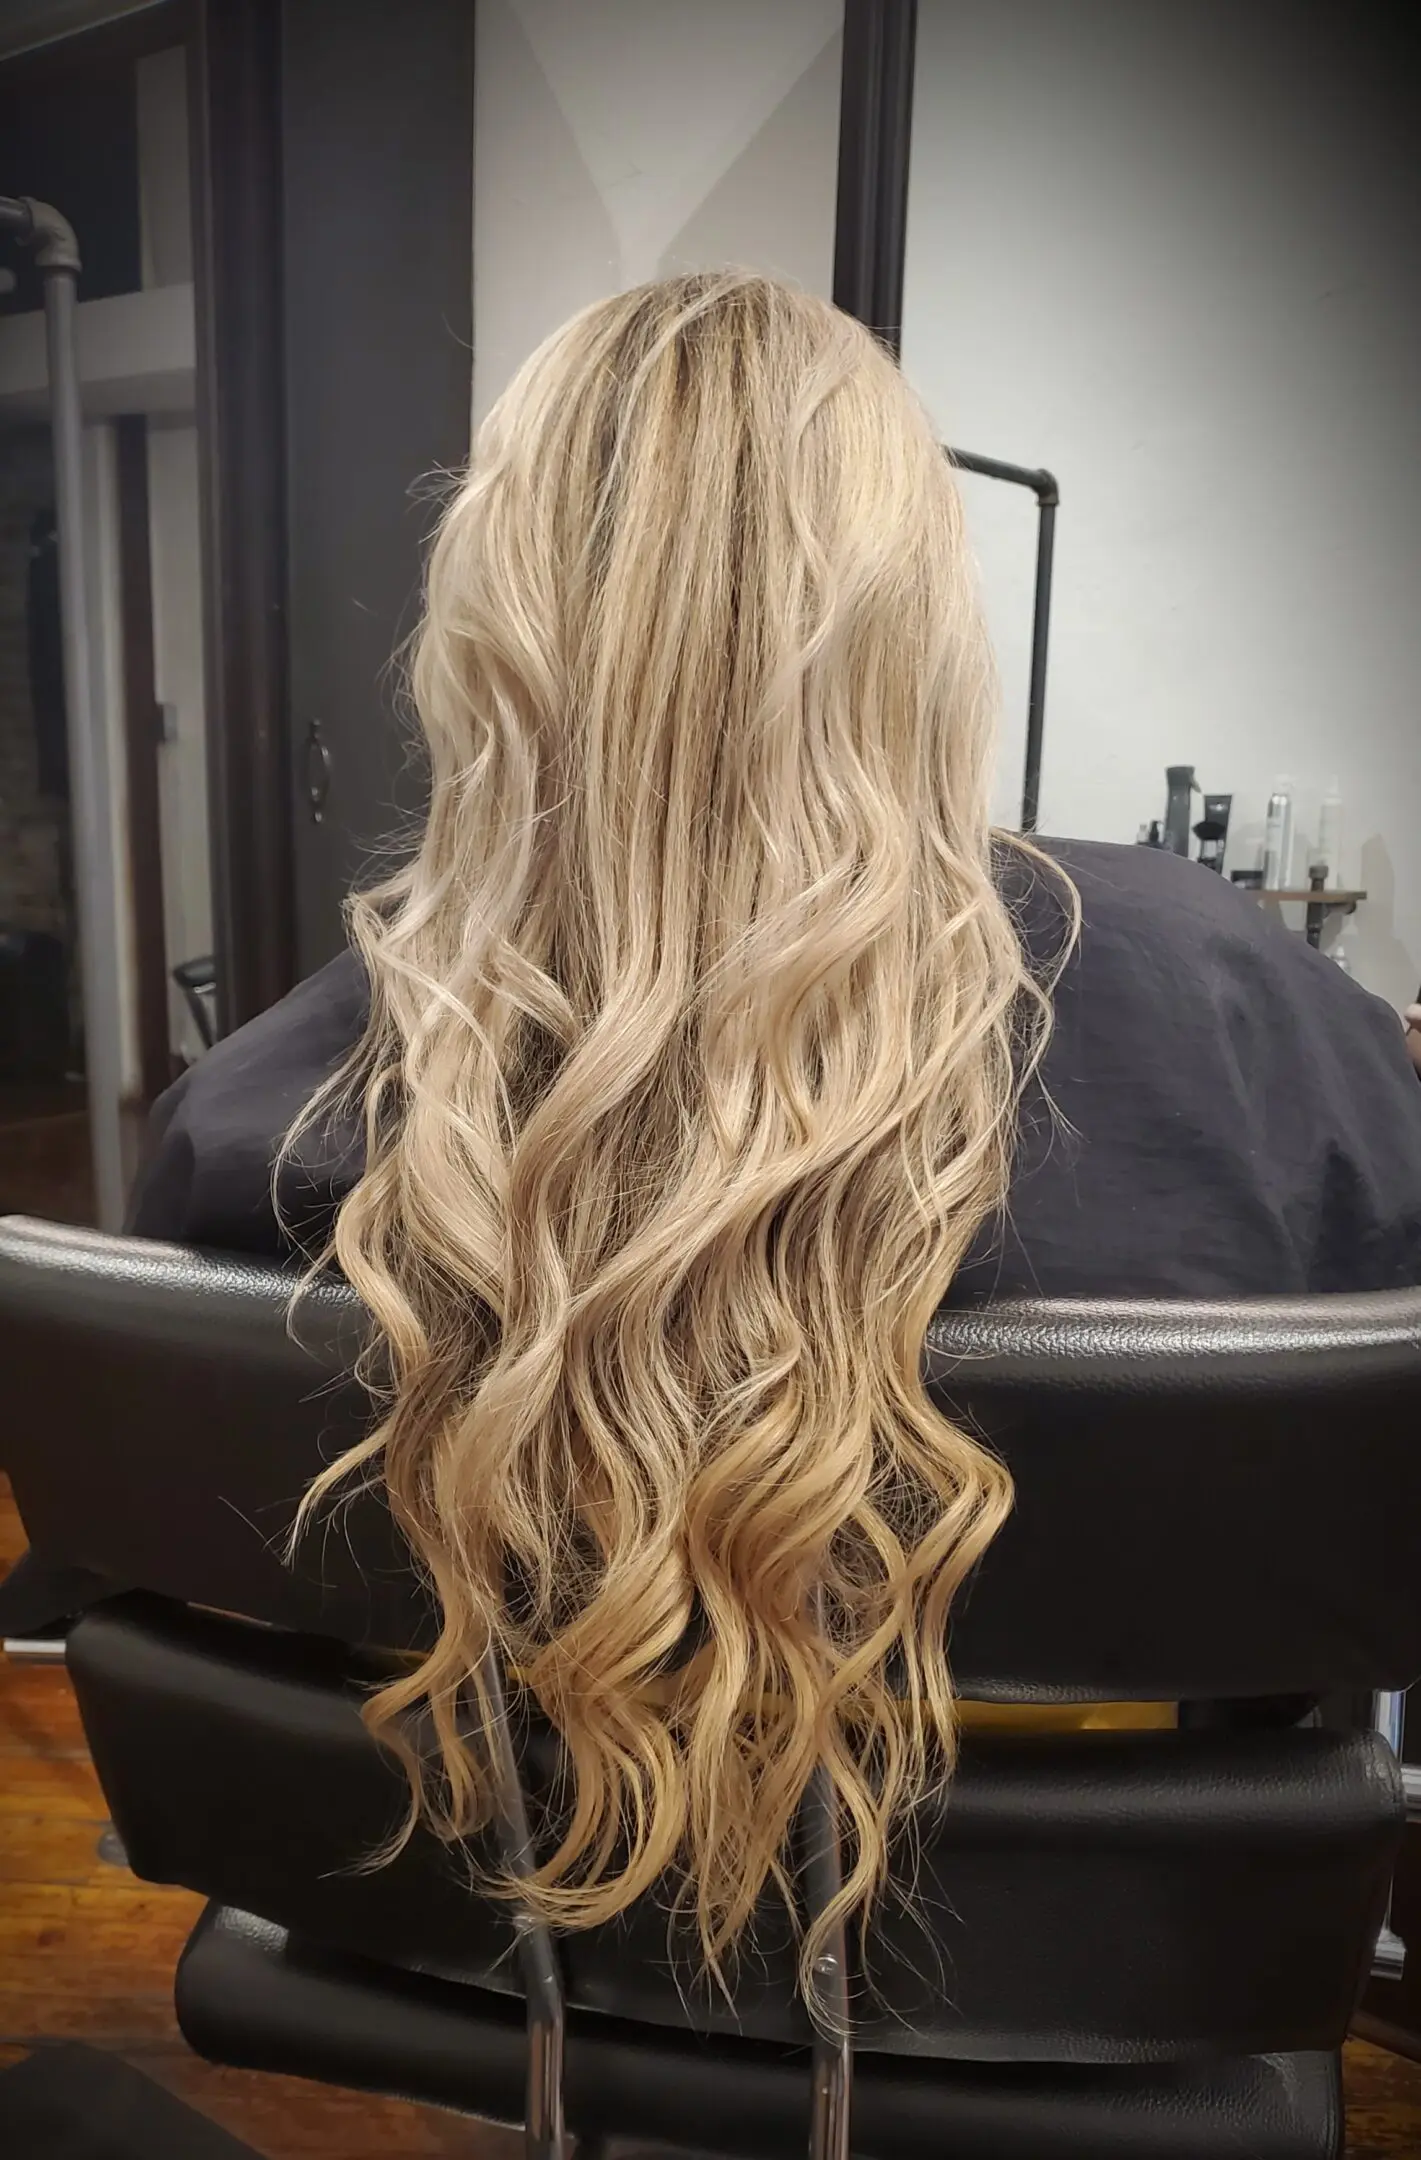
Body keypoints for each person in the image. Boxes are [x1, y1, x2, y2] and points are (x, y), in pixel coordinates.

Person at [125, 273, 1421, 1993]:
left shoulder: (254, 1107)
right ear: (919, 627)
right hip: (1078, 1969)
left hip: (508, 1955)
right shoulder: (1238, 1012)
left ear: (488, 625)